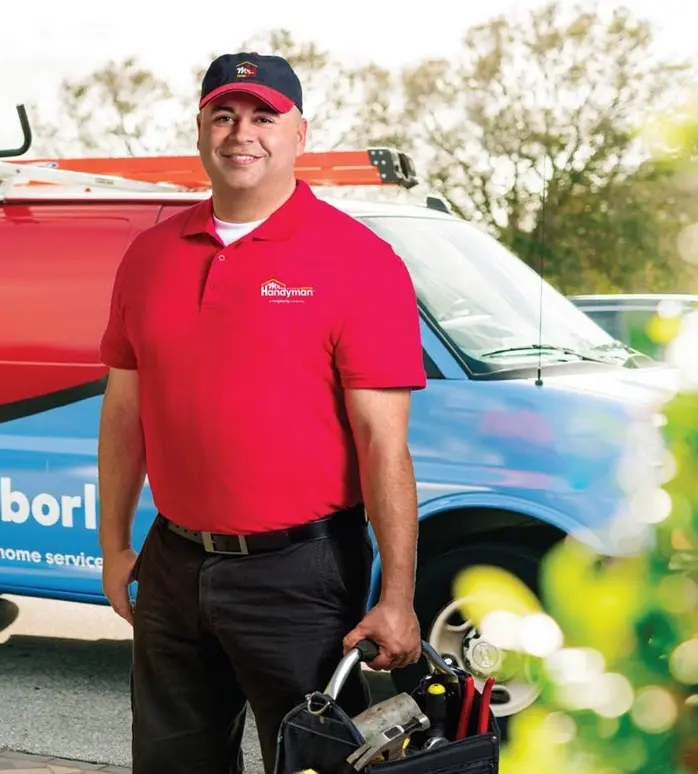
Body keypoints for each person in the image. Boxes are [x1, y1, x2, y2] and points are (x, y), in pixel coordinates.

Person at [96, 50, 428, 774]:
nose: (240, 133)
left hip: (301, 574)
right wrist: (114, 543)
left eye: (262, 117)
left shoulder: (360, 261)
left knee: (316, 764)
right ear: (201, 130)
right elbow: (124, 415)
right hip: (174, 562)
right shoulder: (149, 256)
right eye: (224, 115)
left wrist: (397, 596)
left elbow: (384, 445)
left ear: (299, 134)